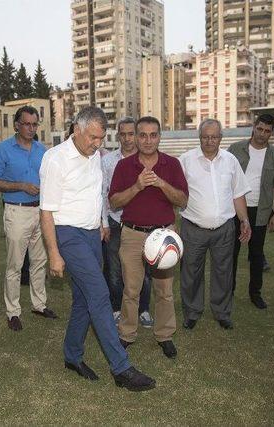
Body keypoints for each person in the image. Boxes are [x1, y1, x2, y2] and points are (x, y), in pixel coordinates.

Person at [39, 106, 155, 391]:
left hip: (92, 234)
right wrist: (54, 253)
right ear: (76, 130)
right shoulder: (55, 159)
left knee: (83, 299)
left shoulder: (93, 156)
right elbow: (46, 212)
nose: (97, 144)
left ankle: (72, 355)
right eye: (92, 137)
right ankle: (121, 367)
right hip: (68, 234)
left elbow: (96, 193)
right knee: (100, 294)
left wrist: (102, 222)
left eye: (101, 138)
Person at [108, 116, 188, 358]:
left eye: (153, 135)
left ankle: (164, 335)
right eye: (142, 134)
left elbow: (182, 201)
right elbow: (113, 202)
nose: (148, 140)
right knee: (131, 289)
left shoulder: (171, 164)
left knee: (164, 290)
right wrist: (137, 186)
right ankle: (126, 334)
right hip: (132, 234)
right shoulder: (124, 166)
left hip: (164, 235)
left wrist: (162, 183)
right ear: (135, 136)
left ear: (160, 137)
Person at [178, 119, 251, 330]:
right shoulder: (185, 160)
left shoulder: (230, 161)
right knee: (190, 273)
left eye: (214, 136)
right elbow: (175, 194)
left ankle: (222, 312)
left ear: (221, 137)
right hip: (193, 228)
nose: (209, 140)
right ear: (199, 137)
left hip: (224, 228)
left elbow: (238, 194)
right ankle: (192, 312)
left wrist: (244, 220)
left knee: (223, 272)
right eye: (205, 136)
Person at [0, 106, 56, 331]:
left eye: (35, 124)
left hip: (41, 212)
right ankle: (13, 311)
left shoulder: (42, 149)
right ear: (16, 124)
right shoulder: (3, 149)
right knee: (15, 264)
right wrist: (21, 186)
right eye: (26, 124)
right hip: (17, 211)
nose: (31, 128)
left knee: (40, 261)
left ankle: (39, 304)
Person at [228, 114, 274, 309]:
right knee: (231, 254)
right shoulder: (236, 149)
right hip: (234, 210)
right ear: (253, 127)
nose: (262, 134)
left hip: (261, 211)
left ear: (273, 132)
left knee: (256, 255)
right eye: (259, 129)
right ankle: (228, 293)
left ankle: (255, 293)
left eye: (267, 131)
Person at [101, 117, 153, 327]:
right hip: (114, 222)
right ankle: (116, 308)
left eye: (131, 134)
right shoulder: (108, 161)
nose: (127, 138)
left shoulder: (148, 160)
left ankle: (144, 309)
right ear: (118, 135)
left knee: (145, 270)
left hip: (142, 224)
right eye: (122, 134)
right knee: (114, 270)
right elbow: (102, 194)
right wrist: (104, 222)